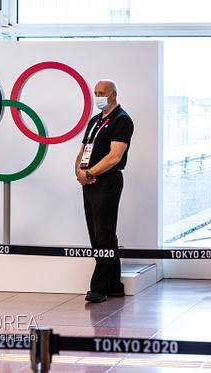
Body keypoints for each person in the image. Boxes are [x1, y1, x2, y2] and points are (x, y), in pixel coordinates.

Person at [74, 79, 134, 303]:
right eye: (95, 93)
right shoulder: (95, 121)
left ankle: (98, 288)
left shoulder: (122, 120)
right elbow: (83, 149)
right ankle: (114, 285)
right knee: (98, 234)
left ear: (113, 95)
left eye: (102, 93)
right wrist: (79, 170)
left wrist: (90, 173)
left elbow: (114, 156)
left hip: (107, 182)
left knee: (104, 235)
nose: (98, 96)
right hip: (89, 183)